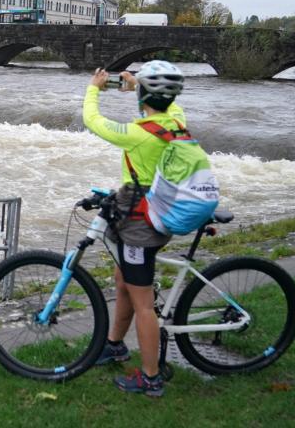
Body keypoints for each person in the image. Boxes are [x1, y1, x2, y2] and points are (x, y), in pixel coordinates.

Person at [82, 60, 186, 398]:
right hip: (149, 210)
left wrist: (94, 89)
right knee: (122, 279)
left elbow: (93, 122)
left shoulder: (139, 134)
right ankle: (114, 345)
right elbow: (164, 107)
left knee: (143, 302)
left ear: (144, 94)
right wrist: (136, 90)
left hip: (141, 220)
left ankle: (151, 377)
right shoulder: (176, 120)